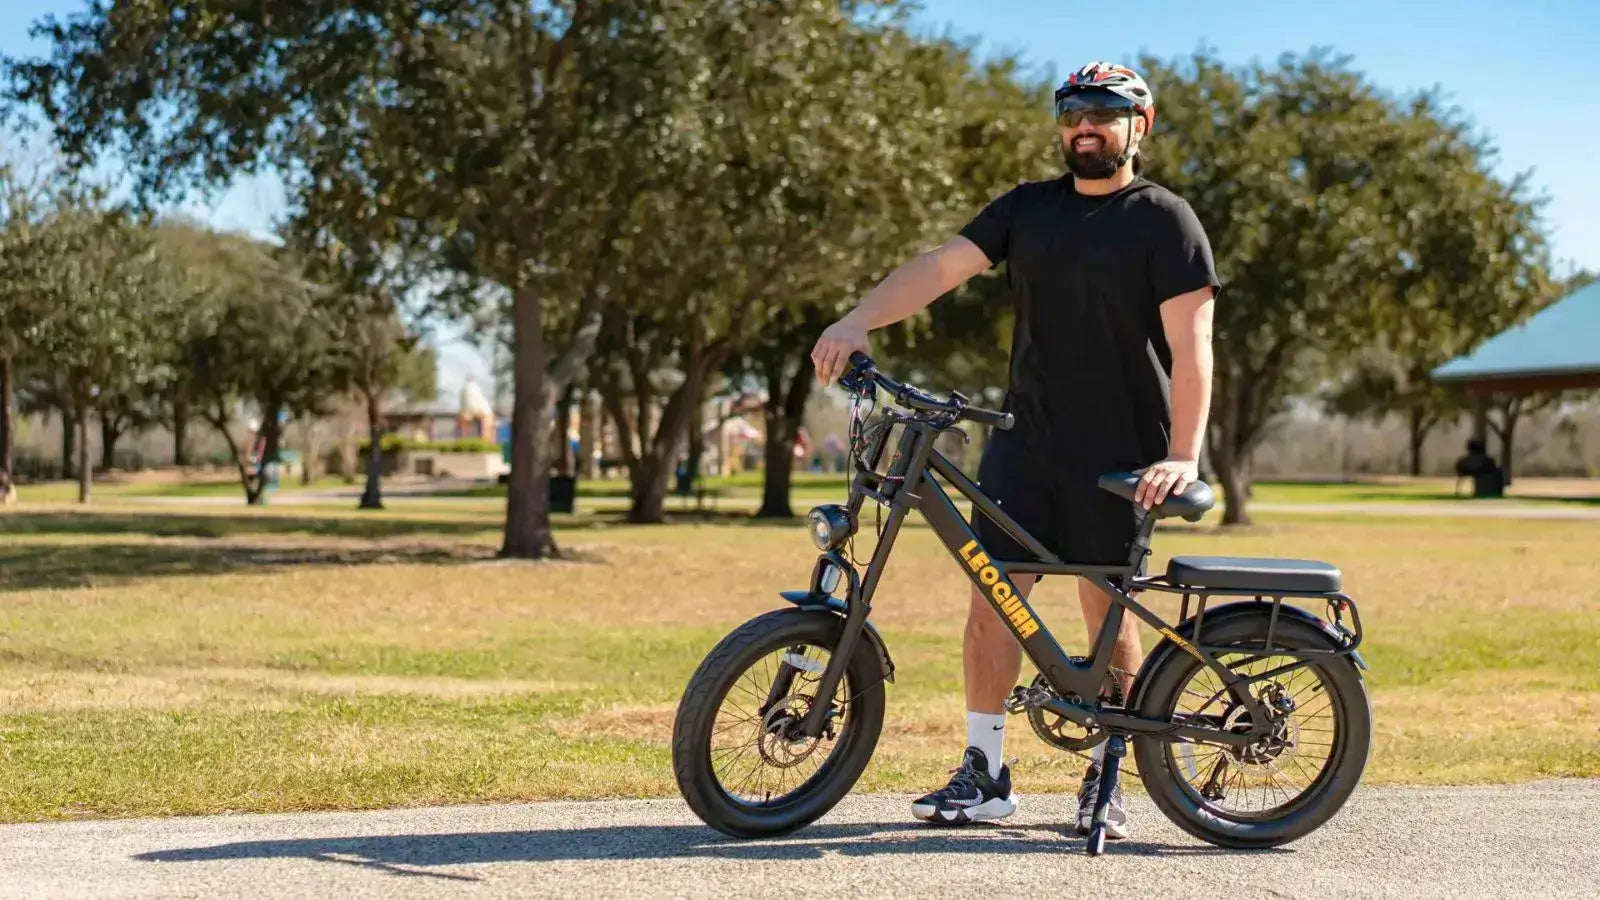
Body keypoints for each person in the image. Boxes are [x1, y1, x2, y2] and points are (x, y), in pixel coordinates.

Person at [810, 61, 1219, 839]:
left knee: (1108, 614)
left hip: (1126, 452)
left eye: (1103, 109)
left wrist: (1187, 456)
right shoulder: (1028, 210)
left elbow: (1192, 345)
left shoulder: (1166, 219)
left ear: (1143, 123)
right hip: (1024, 441)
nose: (1085, 124)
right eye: (1072, 111)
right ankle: (985, 772)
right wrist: (859, 319)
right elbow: (940, 267)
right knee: (992, 603)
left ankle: (1111, 769)